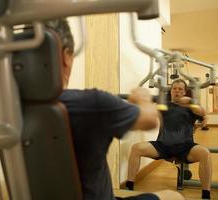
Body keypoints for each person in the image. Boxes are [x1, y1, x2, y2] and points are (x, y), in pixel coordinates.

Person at [44, 19, 184, 200]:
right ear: (66, 56)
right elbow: (151, 120)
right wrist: (142, 98)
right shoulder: (91, 103)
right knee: (173, 197)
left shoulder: (8, 109)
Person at [126, 79, 212, 199]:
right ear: (171, 91)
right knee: (136, 148)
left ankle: (206, 194)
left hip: (185, 147)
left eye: (180, 89)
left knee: (205, 153)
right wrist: (139, 102)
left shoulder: (190, 107)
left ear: (184, 92)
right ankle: (129, 186)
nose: (176, 91)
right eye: (174, 88)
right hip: (162, 146)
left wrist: (191, 103)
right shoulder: (163, 105)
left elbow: (203, 113)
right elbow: (148, 112)